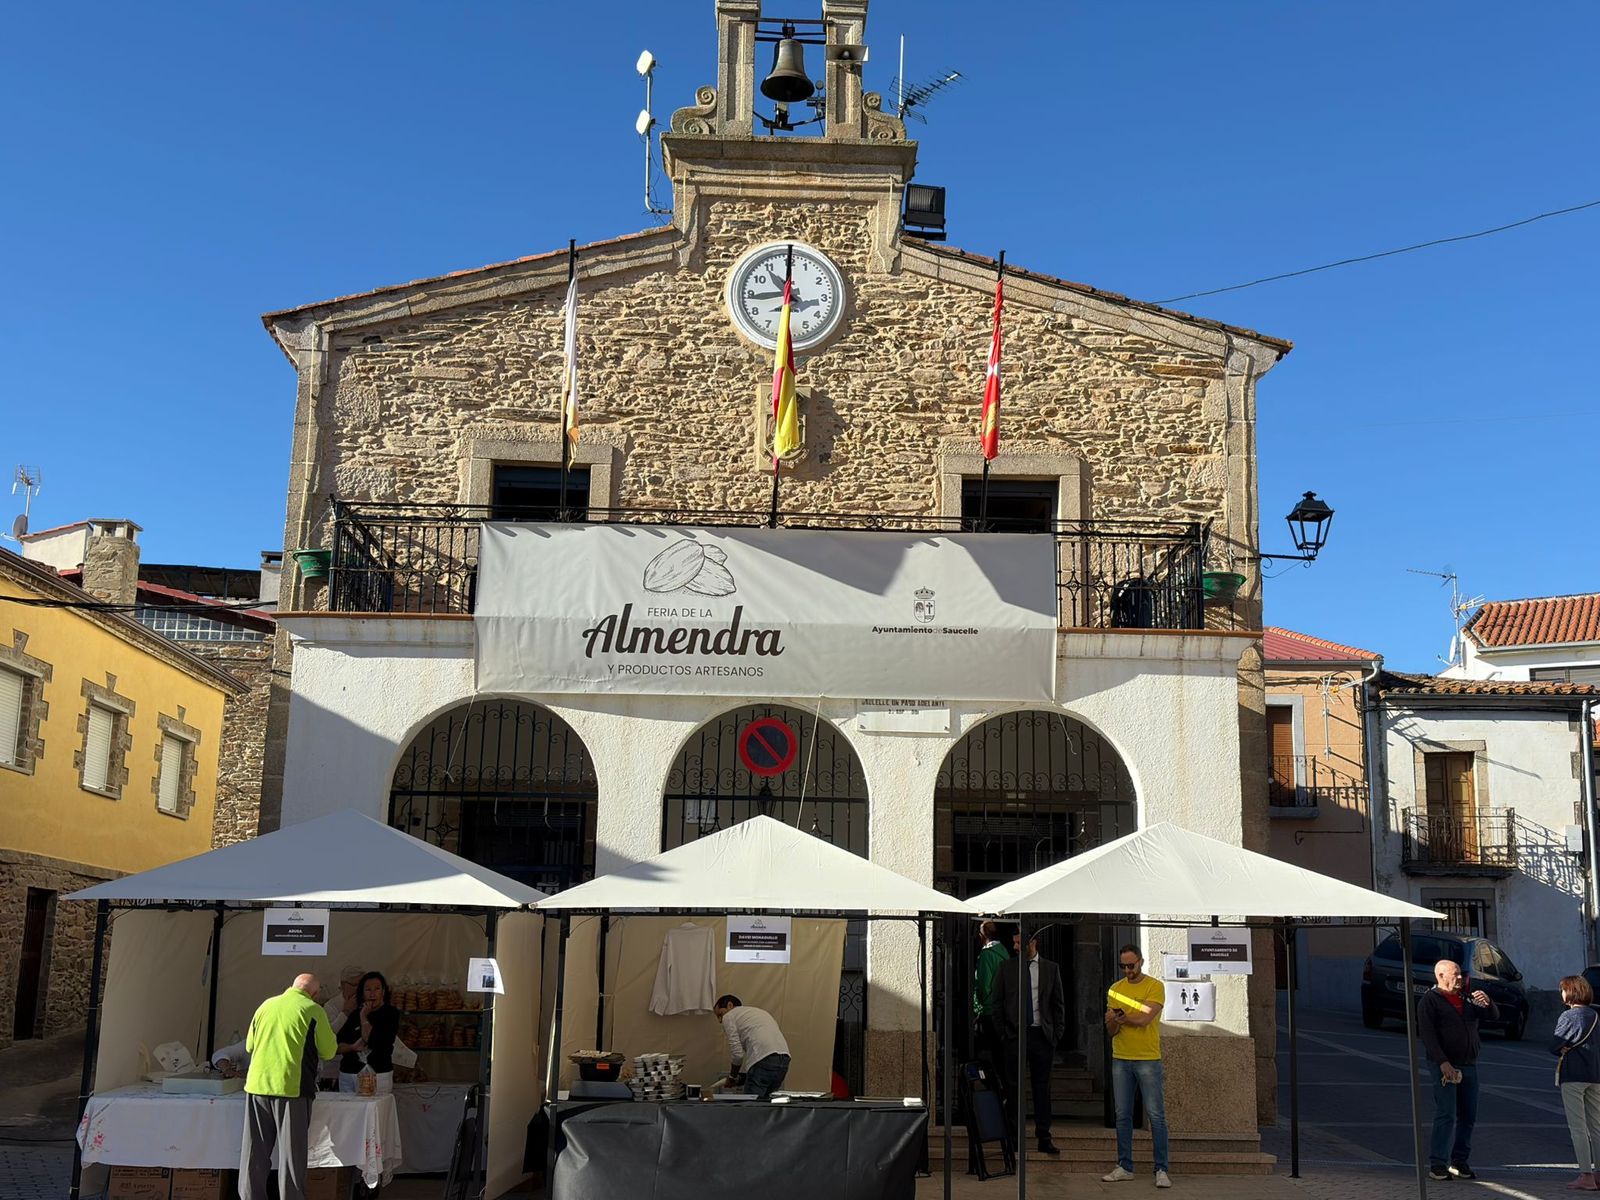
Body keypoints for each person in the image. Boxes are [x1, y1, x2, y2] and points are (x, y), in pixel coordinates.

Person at [240, 973, 337, 1200]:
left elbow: (249, 1045)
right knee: (291, 1159)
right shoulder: (313, 1010)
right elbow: (329, 1051)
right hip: (292, 1088)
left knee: (254, 1154)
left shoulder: (265, 1006)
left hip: (257, 1087)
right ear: (315, 994)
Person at [1418, 955, 1498, 1181]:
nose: (1461, 978)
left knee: (1468, 1115)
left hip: (1469, 1064)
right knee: (1446, 1113)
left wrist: (1488, 1002)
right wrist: (1442, 1062)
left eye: (1461, 975)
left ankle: (1459, 1162)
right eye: (1456, 975)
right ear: (1441, 976)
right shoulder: (1430, 1000)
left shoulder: (1467, 998)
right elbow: (1427, 1034)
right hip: (1444, 1065)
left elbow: (1492, 1016)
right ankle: (1438, 1163)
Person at [1102, 943, 1170, 1188]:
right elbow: (1110, 1030)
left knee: (1156, 1115)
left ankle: (1161, 1169)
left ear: (1140, 961)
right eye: (1123, 966)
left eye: (1131, 965)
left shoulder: (1154, 986)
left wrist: (1123, 1017)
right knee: (1122, 1115)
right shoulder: (1115, 989)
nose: (1127, 970)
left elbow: (1144, 1019)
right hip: (1121, 1056)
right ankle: (1124, 1165)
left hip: (1148, 1057)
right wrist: (1113, 1021)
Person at [994, 934, 1066, 1157]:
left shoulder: (1051, 969)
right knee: (1014, 1088)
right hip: (1015, 1035)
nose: (1015, 946)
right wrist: (1004, 1034)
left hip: (1041, 1035)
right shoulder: (1006, 968)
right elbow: (996, 1002)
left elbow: (1058, 1003)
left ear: (1032, 943)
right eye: (1013, 942)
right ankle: (1014, 1139)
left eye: (1019, 943)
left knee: (1042, 1089)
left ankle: (1044, 1137)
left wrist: (1055, 1034)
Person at [1551, 974, 1600, 1191]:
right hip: (1596, 1075)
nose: (1561, 993)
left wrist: (1561, 1048)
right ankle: (1598, 1173)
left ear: (1570, 992)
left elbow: (1555, 1044)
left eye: (1563, 989)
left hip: (1573, 1075)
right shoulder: (1596, 1015)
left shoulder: (1568, 1016)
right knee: (1597, 1126)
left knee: (1578, 1127)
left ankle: (1585, 1175)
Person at [713, 995, 791, 1099]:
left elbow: (737, 1055)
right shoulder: (760, 1012)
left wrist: (732, 1077)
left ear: (730, 1005)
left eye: (720, 1014)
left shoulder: (729, 1016)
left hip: (762, 1058)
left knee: (751, 1107)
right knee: (767, 1107)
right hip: (784, 1059)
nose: (720, 1020)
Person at [336, 971, 401, 1094]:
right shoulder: (354, 1014)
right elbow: (336, 1045)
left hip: (377, 1074)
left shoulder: (390, 1013)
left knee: (372, 1111)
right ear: (362, 993)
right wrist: (352, 1047)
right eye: (368, 990)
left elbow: (371, 1039)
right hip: (348, 1074)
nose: (372, 994)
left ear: (383, 992)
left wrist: (364, 1017)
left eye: (376, 989)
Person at [972, 920, 1010, 1070]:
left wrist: (978, 1007)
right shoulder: (1004, 951)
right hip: (1002, 1008)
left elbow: (983, 985)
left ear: (982, 935)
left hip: (988, 1010)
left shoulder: (987, 955)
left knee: (988, 1053)